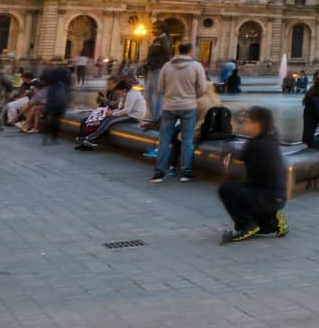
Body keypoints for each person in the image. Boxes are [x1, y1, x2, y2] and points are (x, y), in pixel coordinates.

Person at [218, 106, 288, 244]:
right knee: (265, 228)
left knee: (226, 190)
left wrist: (228, 150)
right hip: (278, 196)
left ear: (258, 124)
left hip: (266, 196)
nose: (244, 123)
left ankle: (246, 225)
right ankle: (272, 220)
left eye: (248, 120)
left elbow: (241, 155)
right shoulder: (272, 134)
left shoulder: (256, 145)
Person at [150, 42, 208, 184]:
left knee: (164, 140)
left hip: (169, 106)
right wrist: (191, 96)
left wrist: (169, 96)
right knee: (187, 140)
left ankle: (158, 174)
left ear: (177, 50)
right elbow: (202, 88)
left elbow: (159, 88)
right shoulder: (196, 66)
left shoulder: (167, 66)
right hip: (189, 106)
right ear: (190, 51)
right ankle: (186, 172)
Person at [76, 75, 147, 150]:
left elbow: (127, 110)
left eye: (119, 92)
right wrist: (110, 112)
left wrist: (112, 113)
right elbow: (120, 108)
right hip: (128, 114)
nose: (119, 94)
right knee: (104, 119)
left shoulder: (132, 94)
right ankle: (87, 138)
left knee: (110, 121)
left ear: (123, 90)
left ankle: (90, 138)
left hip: (134, 116)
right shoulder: (125, 94)